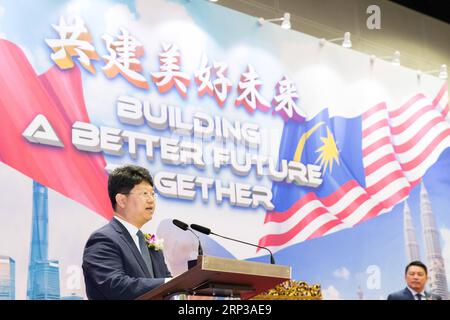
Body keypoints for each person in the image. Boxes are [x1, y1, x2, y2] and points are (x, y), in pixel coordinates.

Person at [82, 165, 171, 300]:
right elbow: (116, 285)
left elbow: (167, 280)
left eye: (152, 194)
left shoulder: (150, 242)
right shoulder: (103, 239)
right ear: (122, 200)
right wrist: (166, 283)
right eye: (144, 193)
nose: (151, 199)